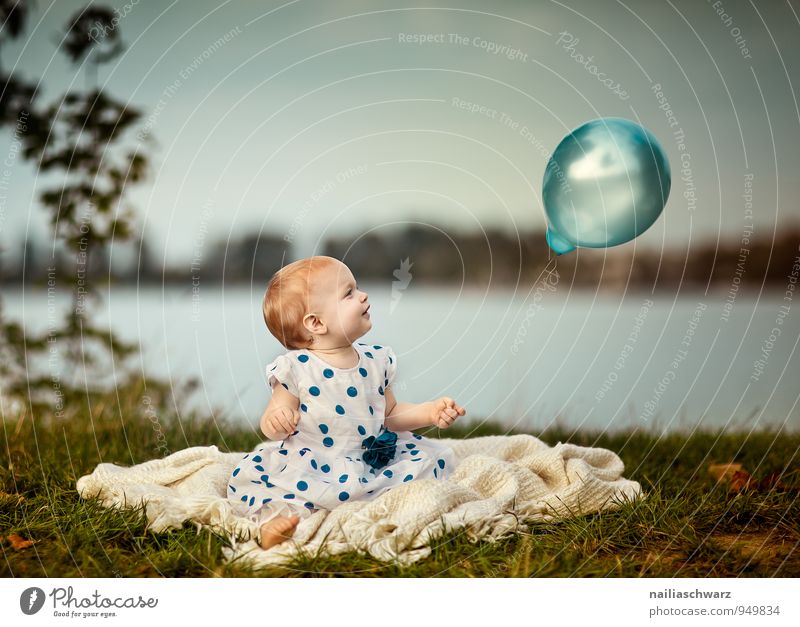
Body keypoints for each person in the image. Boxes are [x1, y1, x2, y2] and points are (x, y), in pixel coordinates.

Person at [227, 255, 466, 550]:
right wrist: (277, 421)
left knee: (433, 461)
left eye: (357, 288)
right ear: (316, 322)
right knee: (280, 489)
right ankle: (273, 522)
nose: (363, 295)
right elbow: (275, 414)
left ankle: (391, 509)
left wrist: (429, 412)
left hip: (368, 461)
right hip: (314, 462)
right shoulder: (297, 367)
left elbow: (389, 414)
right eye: (349, 293)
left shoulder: (376, 360)